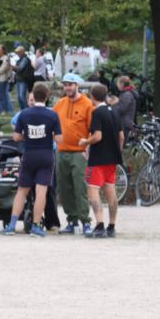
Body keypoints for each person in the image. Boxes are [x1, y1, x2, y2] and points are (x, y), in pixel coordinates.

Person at [3, 82, 62, 237]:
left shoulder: (24, 114)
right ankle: (36, 226)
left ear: (32, 97)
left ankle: (12, 225)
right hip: (46, 154)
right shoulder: (53, 115)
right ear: (47, 96)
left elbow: (16, 137)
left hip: (29, 154)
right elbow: (59, 138)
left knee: (22, 190)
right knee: (41, 191)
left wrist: (28, 136)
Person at [79, 84, 124, 238]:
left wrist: (85, 142)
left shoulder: (97, 112)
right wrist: (118, 151)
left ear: (92, 97)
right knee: (110, 191)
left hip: (98, 159)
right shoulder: (115, 112)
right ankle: (112, 226)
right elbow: (121, 136)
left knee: (93, 190)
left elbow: (97, 136)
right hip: (112, 159)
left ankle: (99, 225)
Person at [53, 73, 94, 235]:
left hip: (79, 153)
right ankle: (72, 221)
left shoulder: (87, 104)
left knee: (80, 188)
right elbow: (52, 122)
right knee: (64, 188)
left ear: (77, 85)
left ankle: (86, 222)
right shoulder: (60, 103)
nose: (67, 87)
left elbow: (93, 130)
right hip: (62, 152)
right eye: (65, 85)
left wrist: (88, 149)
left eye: (70, 84)